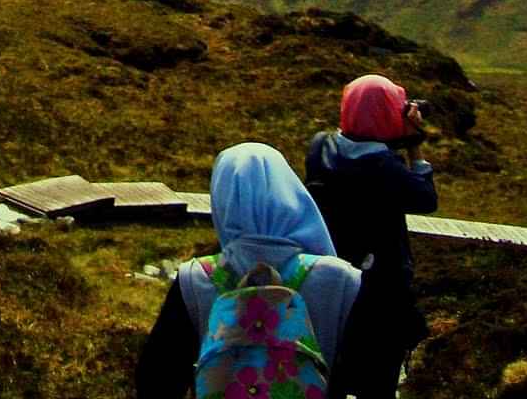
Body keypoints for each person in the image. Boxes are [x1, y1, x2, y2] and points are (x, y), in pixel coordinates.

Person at [135, 142, 362, 399]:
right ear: (292, 196)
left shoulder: (196, 279)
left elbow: (154, 380)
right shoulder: (341, 280)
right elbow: (373, 377)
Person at [305, 74, 439, 399]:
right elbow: (425, 198)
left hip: (331, 278)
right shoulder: (383, 167)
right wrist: (415, 145)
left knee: (333, 370)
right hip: (382, 292)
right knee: (378, 380)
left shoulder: (321, 147)